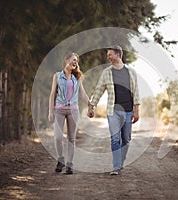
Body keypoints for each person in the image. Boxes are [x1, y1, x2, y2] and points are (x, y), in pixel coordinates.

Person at [88, 45, 140, 175]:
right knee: (115, 138)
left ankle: (121, 161)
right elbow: (99, 89)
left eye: (110, 55)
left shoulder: (131, 72)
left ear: (118, 55)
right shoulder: (107, 72)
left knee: (126, 139)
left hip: (128, 110)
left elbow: (136, 92)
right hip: (113, 110)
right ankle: (116, 167)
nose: (108, 57)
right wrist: (92, 105)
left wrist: (136, 110)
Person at [48, 51, 90, 174]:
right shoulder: (57, 76)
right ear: (66, 61)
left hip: (73, 110)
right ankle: (60, 159)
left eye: (76, 61)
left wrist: (90, 104)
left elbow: (82, 93)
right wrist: (50, 111)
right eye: (73, 60)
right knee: (58, 137)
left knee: (71, 138)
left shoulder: (77, 77)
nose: (75, 62)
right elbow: (52, 94)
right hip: (59, 110)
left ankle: (70, 164)